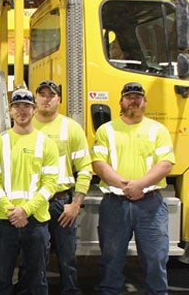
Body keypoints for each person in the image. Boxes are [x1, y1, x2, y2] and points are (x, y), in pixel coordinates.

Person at [92, 82, 174, 295]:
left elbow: (165, 163)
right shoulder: (106, 130)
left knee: (155, 259)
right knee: (110, 260)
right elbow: (99, 164)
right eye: (129, 96)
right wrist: (127, 186)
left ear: (145, 101)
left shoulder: (158, 130)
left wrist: (140, 185)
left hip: (151, 205)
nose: (134, 100)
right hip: (115, 204)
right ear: (120, 102)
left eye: (138, 96)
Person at [0, 88, 59, 294]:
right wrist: (11, 210)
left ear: (34, 110)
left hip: (35, 222)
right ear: (10, 111)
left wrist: (25, 210)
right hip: (4, 220)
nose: (22, 111)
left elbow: (50, 184)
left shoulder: (47, 144)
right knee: (2, 280)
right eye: (17, 106)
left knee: (37, 281)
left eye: (26, 106)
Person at [33, 80, 93, 294]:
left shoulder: (71, 128)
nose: (46, 98)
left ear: (59, 99)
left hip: (61, 203)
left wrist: (75, 204)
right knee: (33, 259)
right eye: (42, 94)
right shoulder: (25, 126)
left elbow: (85, 168)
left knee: (67, 259)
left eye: (51, 94)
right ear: (35, 98)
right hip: (33, 204)